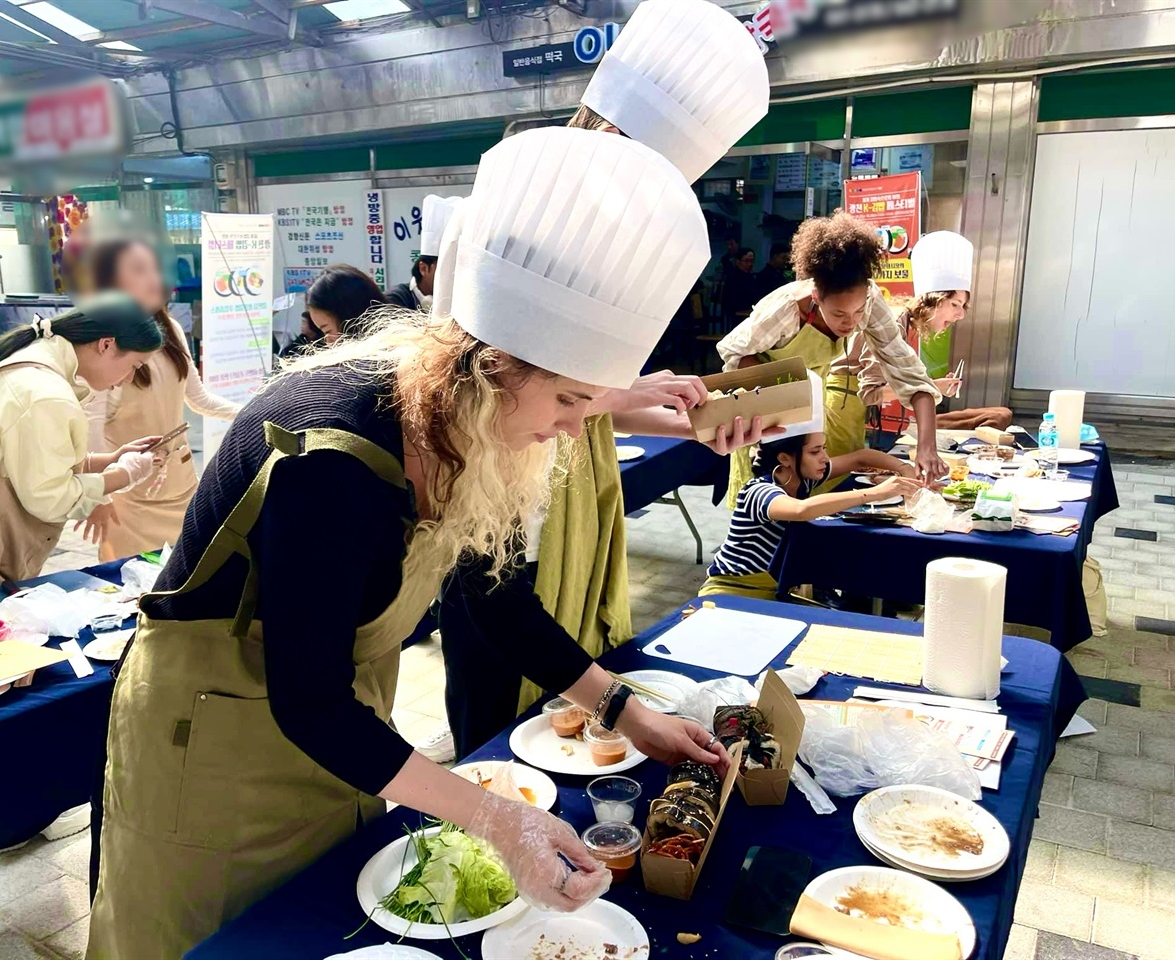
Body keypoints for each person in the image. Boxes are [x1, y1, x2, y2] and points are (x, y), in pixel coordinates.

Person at [87, 127, 727, 959]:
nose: (571, 430)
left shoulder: (449, 421)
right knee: (209, 938)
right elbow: (308, 698)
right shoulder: (334, 457)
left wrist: (621, 708)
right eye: (570, 402)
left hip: (335, 738)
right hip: (207, 747)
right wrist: (494, 816)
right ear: (491, 367)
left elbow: (490, 594)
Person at [431, 0, 774, 762]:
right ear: (613, 135)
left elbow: (577, 409)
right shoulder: (513, 205)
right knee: (502, 653)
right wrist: (618, 395)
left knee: (581, 687)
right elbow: (489, 385)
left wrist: (695, 423)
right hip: (500, 482)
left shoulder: (620, 226)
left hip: (577, 478)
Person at [0, 293, 163, 610]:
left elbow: (21, 461)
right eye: (133, 365)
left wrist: (106, 460)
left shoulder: (34, 359)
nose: (128, 379)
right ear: (106, 344)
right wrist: (123, 475)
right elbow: (49, 499)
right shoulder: (43, 391)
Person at [717, 210, 945, 506]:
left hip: (811, 402)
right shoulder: (785, 311)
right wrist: (789, 393)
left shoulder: (869, 298)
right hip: (763, 405)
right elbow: (733, 354)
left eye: (858, 312)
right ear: (816, 297)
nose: (850, 323)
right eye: (839, 314)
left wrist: (928, 447)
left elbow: (908, 372)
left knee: (810, 495)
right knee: (767, 498)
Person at [82, 237, 241, 561]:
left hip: (180, 481)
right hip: (128, 489)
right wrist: (99, 495)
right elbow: (93, 427)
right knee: (131, 580)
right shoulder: (104, 340)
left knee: (189, 568)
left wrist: (251, 412)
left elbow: (198, 399)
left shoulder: (171, 330)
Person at [701, 430, 921, 598]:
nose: (825, 458)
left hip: (774, 589)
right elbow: (801, 510)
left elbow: (860, 458)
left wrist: (904, 469)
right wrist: (874, 493)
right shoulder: (759, 491)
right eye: (815, 452)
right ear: (785, 458)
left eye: (823, 448)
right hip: (732, 592)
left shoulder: (803, 480)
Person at [859, 231, 1012, 444]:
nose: (960, 315)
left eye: (963, 307)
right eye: (954, 304)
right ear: (932, 301)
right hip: (845, 412)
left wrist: (931, 385)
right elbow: (869, 393)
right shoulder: (893, 324)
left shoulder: (907, 323)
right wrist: (931, 387)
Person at [382, 195, 462, 312]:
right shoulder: (396, 300)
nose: (452, 276)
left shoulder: (458, 301)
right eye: (446, 268)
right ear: (423, 268)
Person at [720, 247, 761, 326]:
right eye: (746, 261)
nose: (749, 264)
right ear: (738, 262)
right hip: (736, 318)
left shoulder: (752, 278)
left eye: (752, 261)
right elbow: (729, 302)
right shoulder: (732, 279)